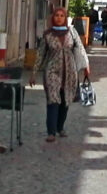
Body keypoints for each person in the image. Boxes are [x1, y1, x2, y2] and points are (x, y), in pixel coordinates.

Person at [30, 7, 89, 142]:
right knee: (53, 100)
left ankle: (60, 127)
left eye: (62, 15)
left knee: (65, 101)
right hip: (52, 71)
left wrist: (86, 66)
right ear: (53, 17)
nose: (59, 18)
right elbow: (40, 55)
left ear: (65, 18)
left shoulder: (72, 33)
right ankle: (51, 132)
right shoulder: (48, 35)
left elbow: (80, 49)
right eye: (57, 15)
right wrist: (34, 73)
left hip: (69, 72)